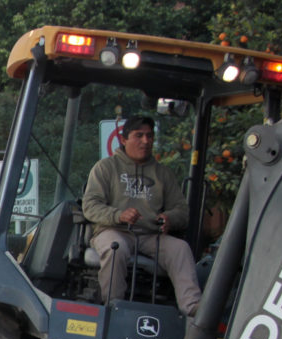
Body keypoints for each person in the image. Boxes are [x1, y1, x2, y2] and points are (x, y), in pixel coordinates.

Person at [82, 115, 201, 316]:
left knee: (180, 248)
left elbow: (182, 210)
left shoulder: (163, 173)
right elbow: (90, 206)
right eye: (139, 136)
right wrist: (119, 215)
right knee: (115, 248)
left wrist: (170, 218)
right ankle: (113, 307)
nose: (146, 141)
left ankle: (193, 310)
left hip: (151, 235)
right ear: (124, 139)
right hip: (113, 230)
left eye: (149, 136)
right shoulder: (105, 168)